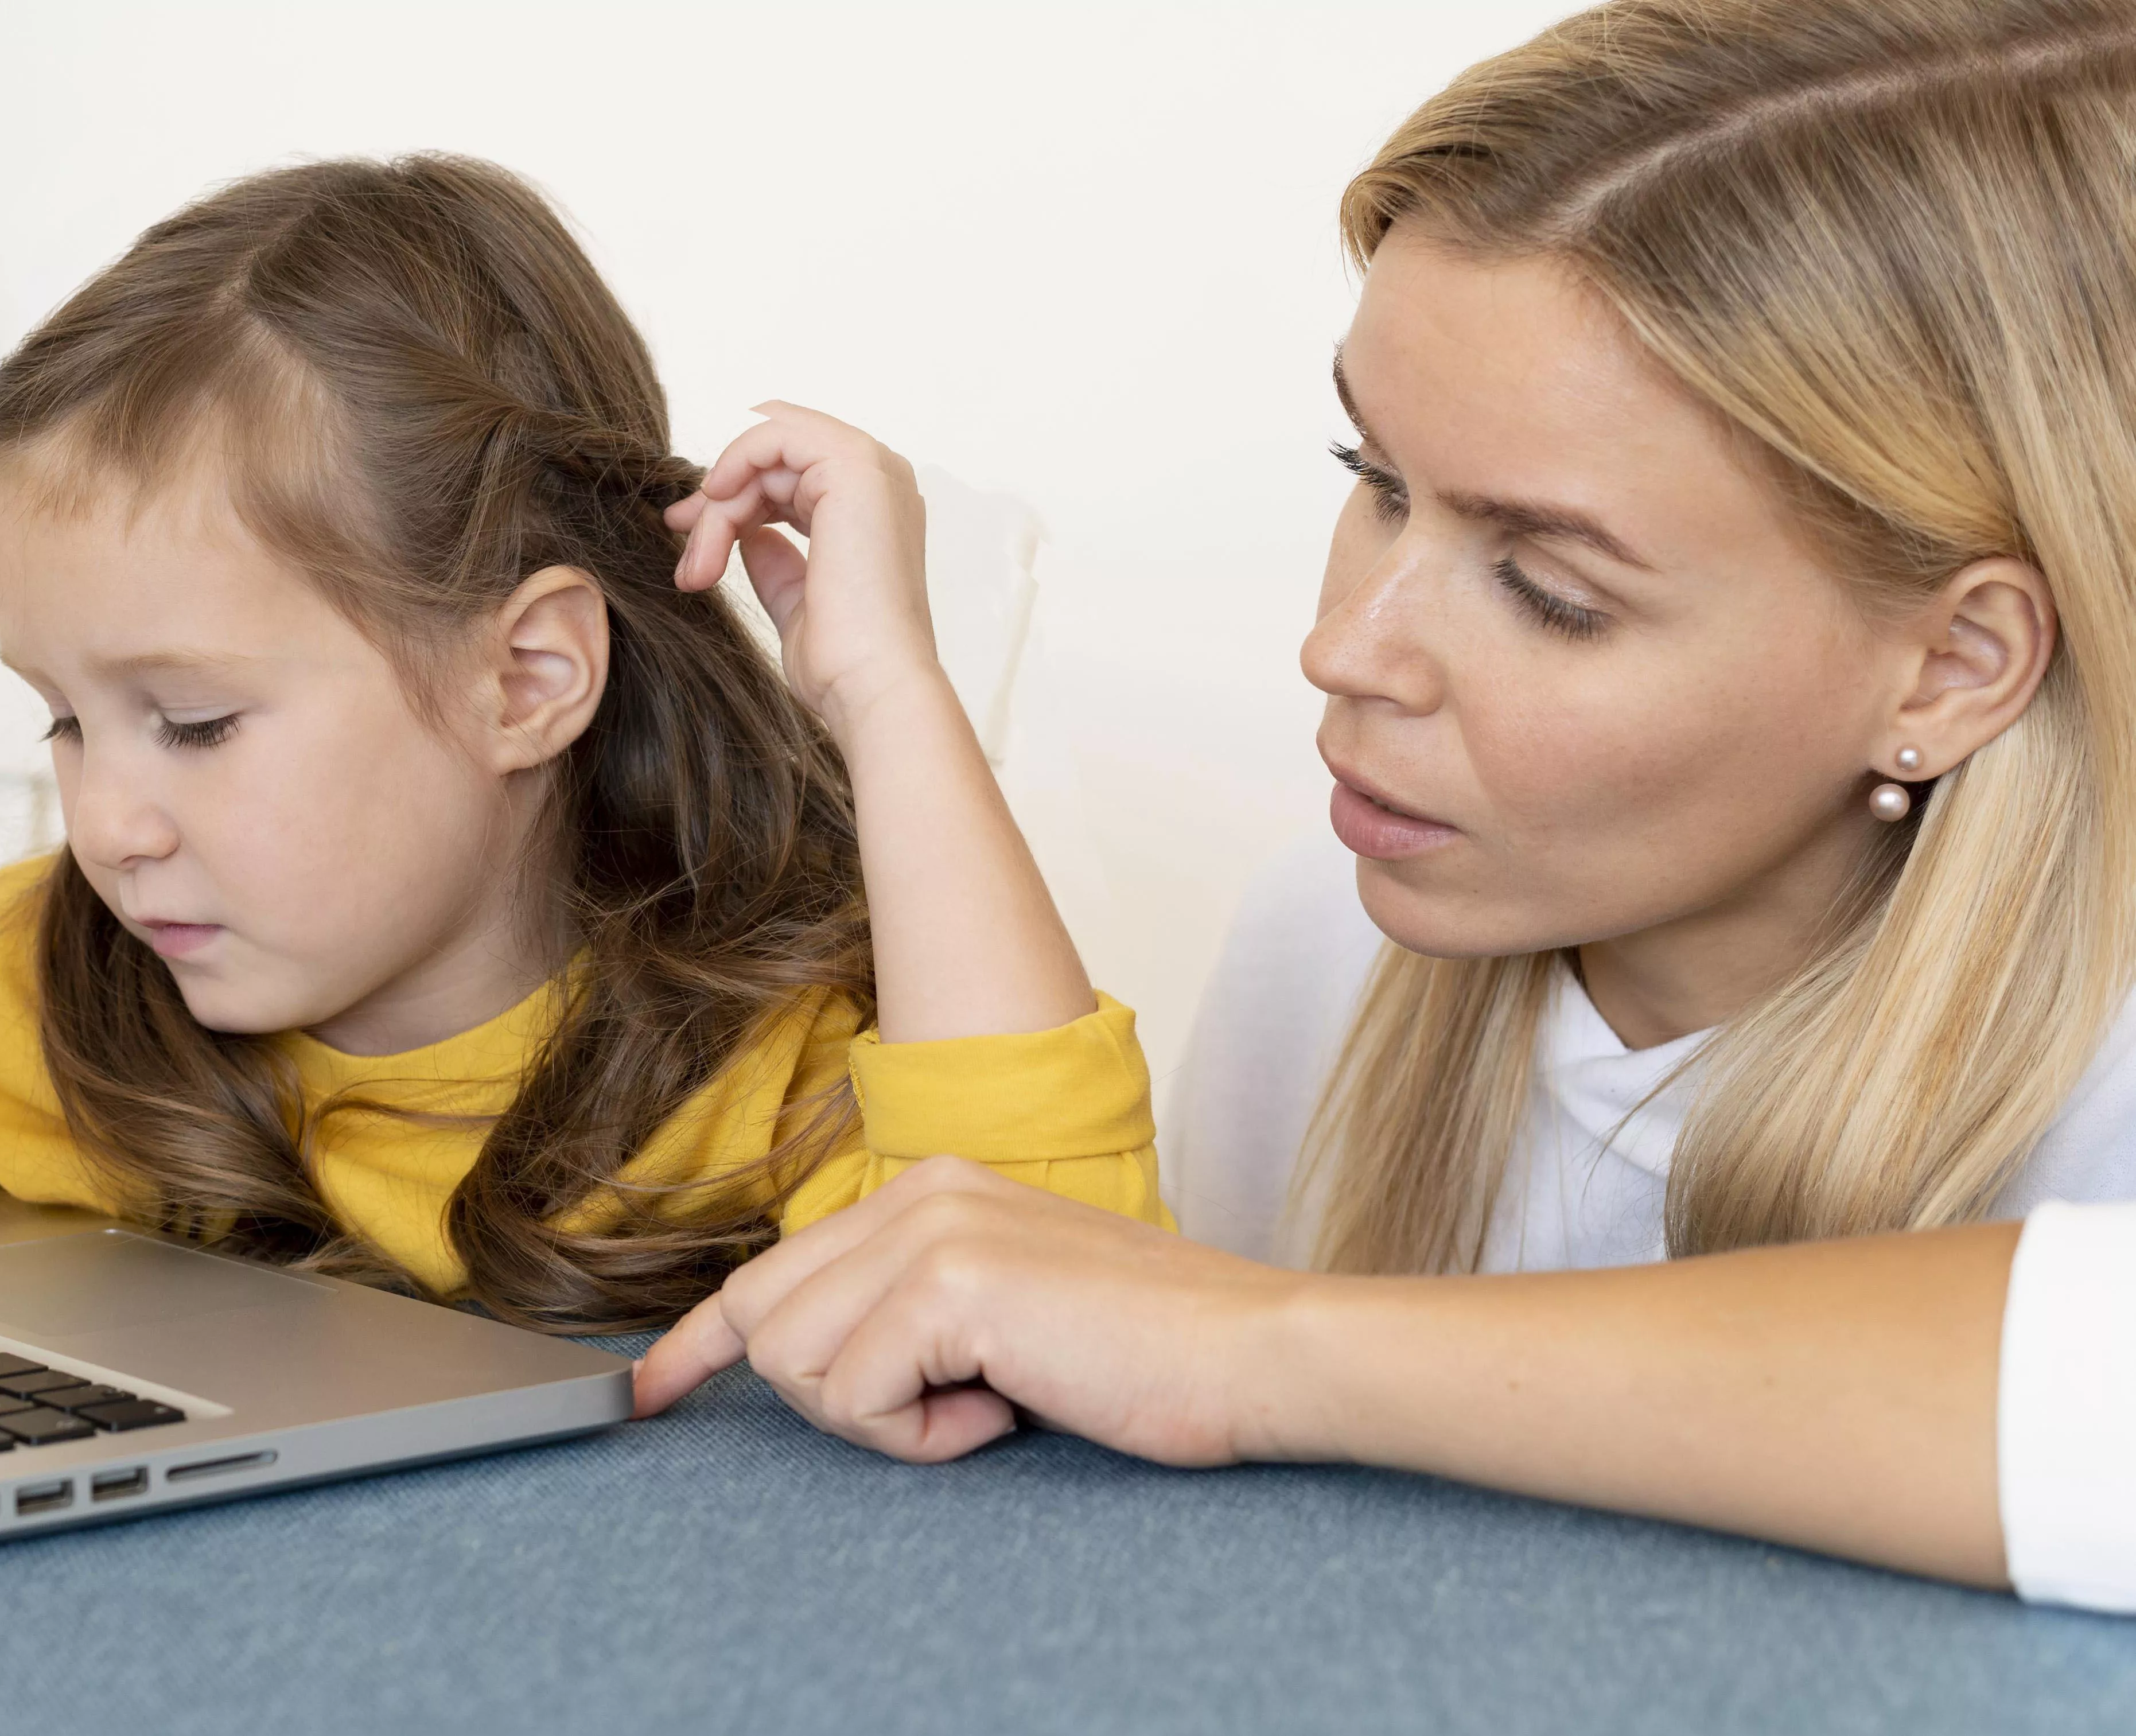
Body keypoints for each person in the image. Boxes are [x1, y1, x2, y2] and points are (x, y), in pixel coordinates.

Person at [636, 0, 2136, 1610]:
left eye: (1551, 589)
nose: (1343, 649)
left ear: (1952, 668)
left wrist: (1240, 1340)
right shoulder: (1324, 945)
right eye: (1375, 481)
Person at [0, 155, 1161, 1336]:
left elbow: (1056, 1297)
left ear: (527, 680)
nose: (108, 821)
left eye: (191, 723)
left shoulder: (783, 1066)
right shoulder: (23, 997)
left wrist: (888, 692)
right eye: (64, 718)